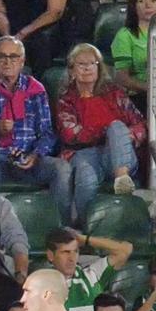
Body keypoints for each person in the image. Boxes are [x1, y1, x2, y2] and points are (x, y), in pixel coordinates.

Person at [0, 36, 72, 224]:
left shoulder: (36, 90)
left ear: (22, 61)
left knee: (61, 167)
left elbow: (48, 133)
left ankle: (62, 229)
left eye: (13, 56)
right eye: (2, 56)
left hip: (30, 160)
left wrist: (36, 154)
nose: (7, 61)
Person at [56, 42, 145, 217]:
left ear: (99, 68)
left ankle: (122, 177)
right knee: (85, 175)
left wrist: (122, 136)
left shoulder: (115, 93)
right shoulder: (66, 100)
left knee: (117, 127)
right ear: (72, 70)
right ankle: (85, 225)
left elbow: (141, 124)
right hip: (84, 153)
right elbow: (71, 134)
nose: (87, 68)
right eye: (81, 64)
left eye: (92, 64)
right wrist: (106, 132)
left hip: (120, 153)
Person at [43, 227, 132, 311]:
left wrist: (85, 239)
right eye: (66, 252)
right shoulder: (41, 286)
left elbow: (125, 250)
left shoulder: (91, 275)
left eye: (75, 251)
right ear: (51, 255)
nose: (72, 258)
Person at [111, 0, 156, 103]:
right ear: (133, 6)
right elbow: (122, 78)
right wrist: (148, 88)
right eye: (141, 1)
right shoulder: (124, 35)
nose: (148, 5)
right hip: (139, 97)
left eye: (153, 1)